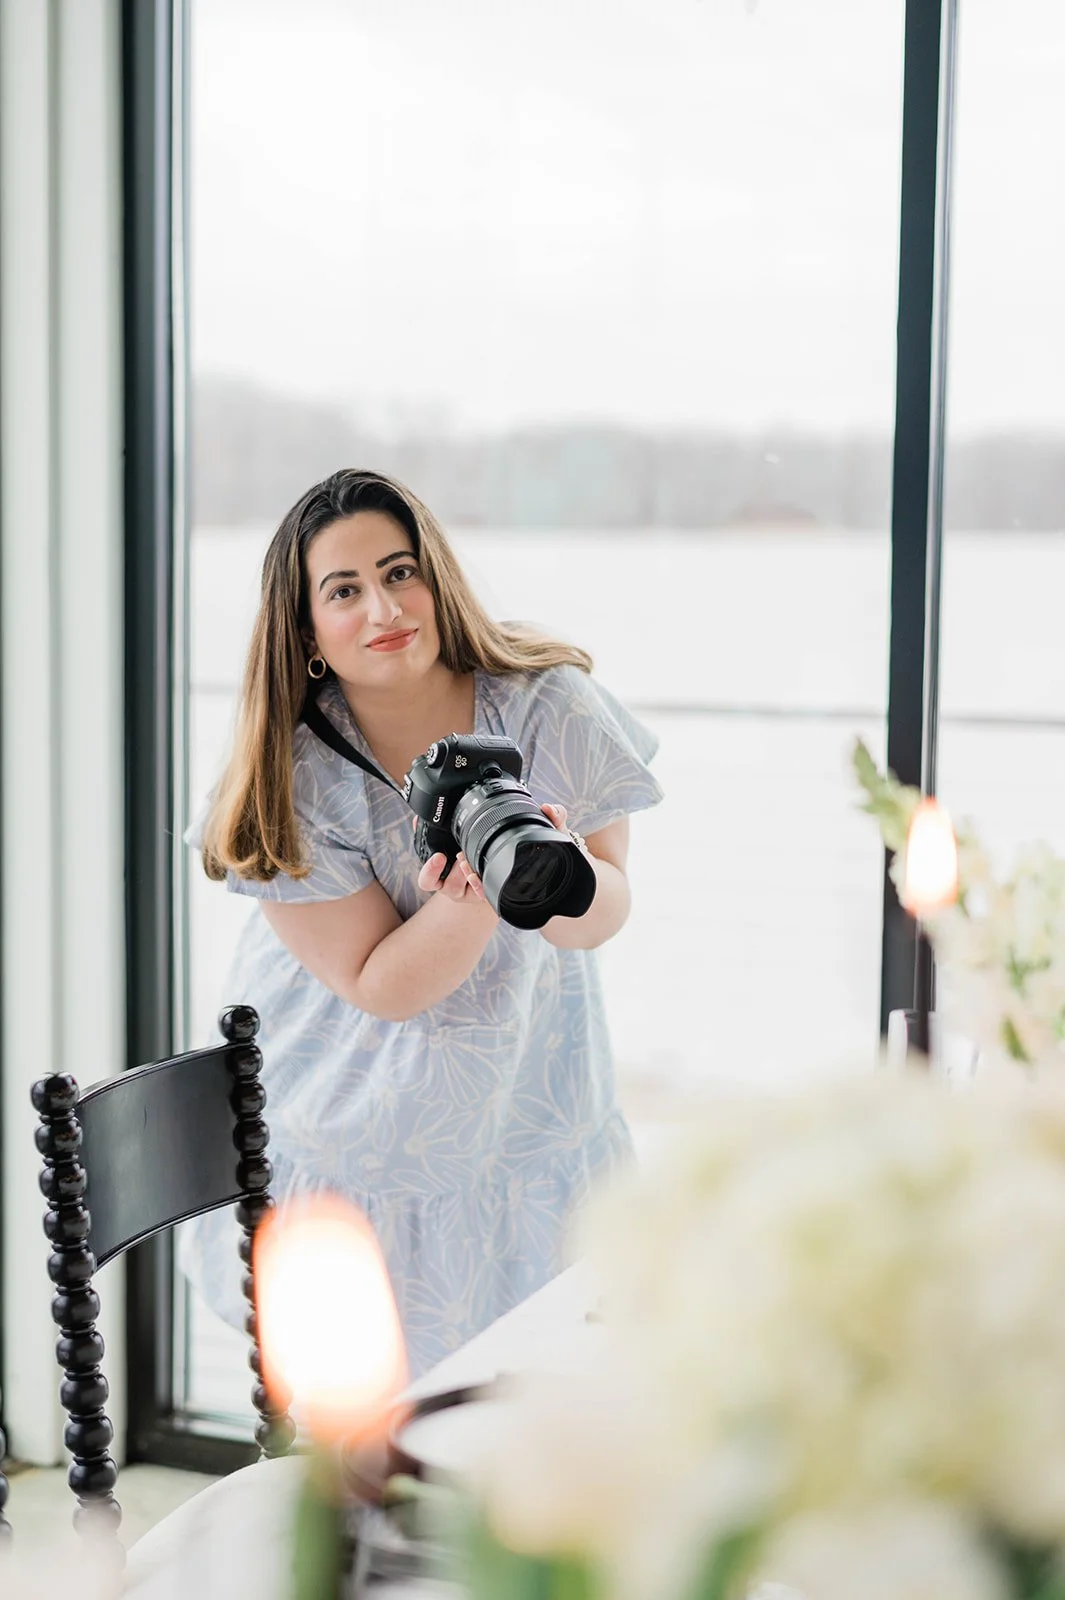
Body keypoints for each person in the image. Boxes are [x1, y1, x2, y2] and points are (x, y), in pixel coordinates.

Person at [181, 468, 663, 1377]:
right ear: (307, 629)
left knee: (545, 1394)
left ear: (436, 577)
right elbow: (381, 985)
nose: (383, 607)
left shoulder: (545, 701)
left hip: (529, 1118)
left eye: (400, 572)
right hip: (353, 1127)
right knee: (370, 1431)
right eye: (344, 590)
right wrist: (468, 890)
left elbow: (602, 915)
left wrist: (546, 867)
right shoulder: (290, 774)